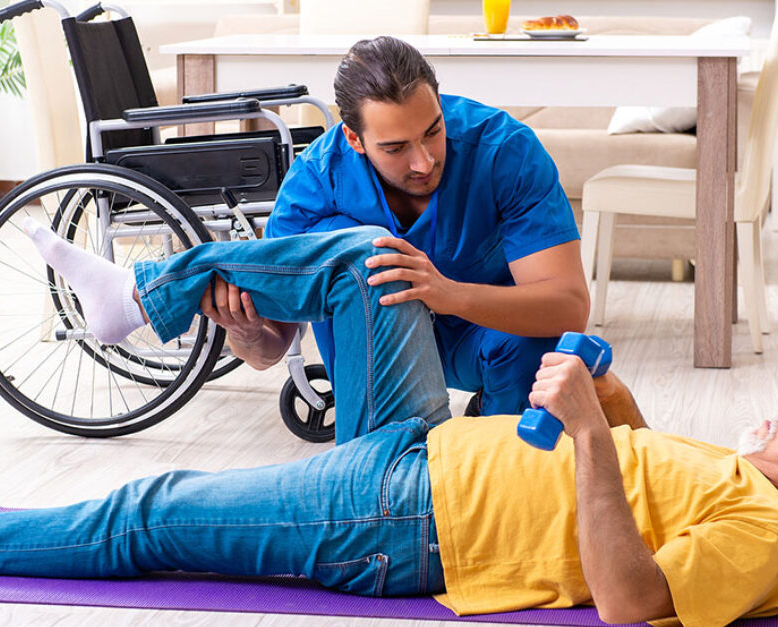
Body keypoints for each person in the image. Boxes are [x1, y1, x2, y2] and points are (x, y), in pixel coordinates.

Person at [0, 225, 778, 627]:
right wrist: (611, 394)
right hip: (425, 446)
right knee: (364, 255)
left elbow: (632, 600)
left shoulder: (767, 535)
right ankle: (142, 293)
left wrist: (591, 436)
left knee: (150, 512)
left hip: (403, 519)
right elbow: (634, 469)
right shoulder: (745, 478)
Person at [204, 36, 590, 418]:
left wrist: (449, 294)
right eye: (395, 148)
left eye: (433, 132)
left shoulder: (504, 151)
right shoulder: (315, 184)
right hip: (378, 353)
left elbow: (569, 307)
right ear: (354, 139)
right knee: (345, 239)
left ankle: (492, 432)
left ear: (438, 104)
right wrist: (246, 332)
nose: (423, 162)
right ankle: (382, 449)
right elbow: (272, 346)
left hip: (490, 339)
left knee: (537, 353)